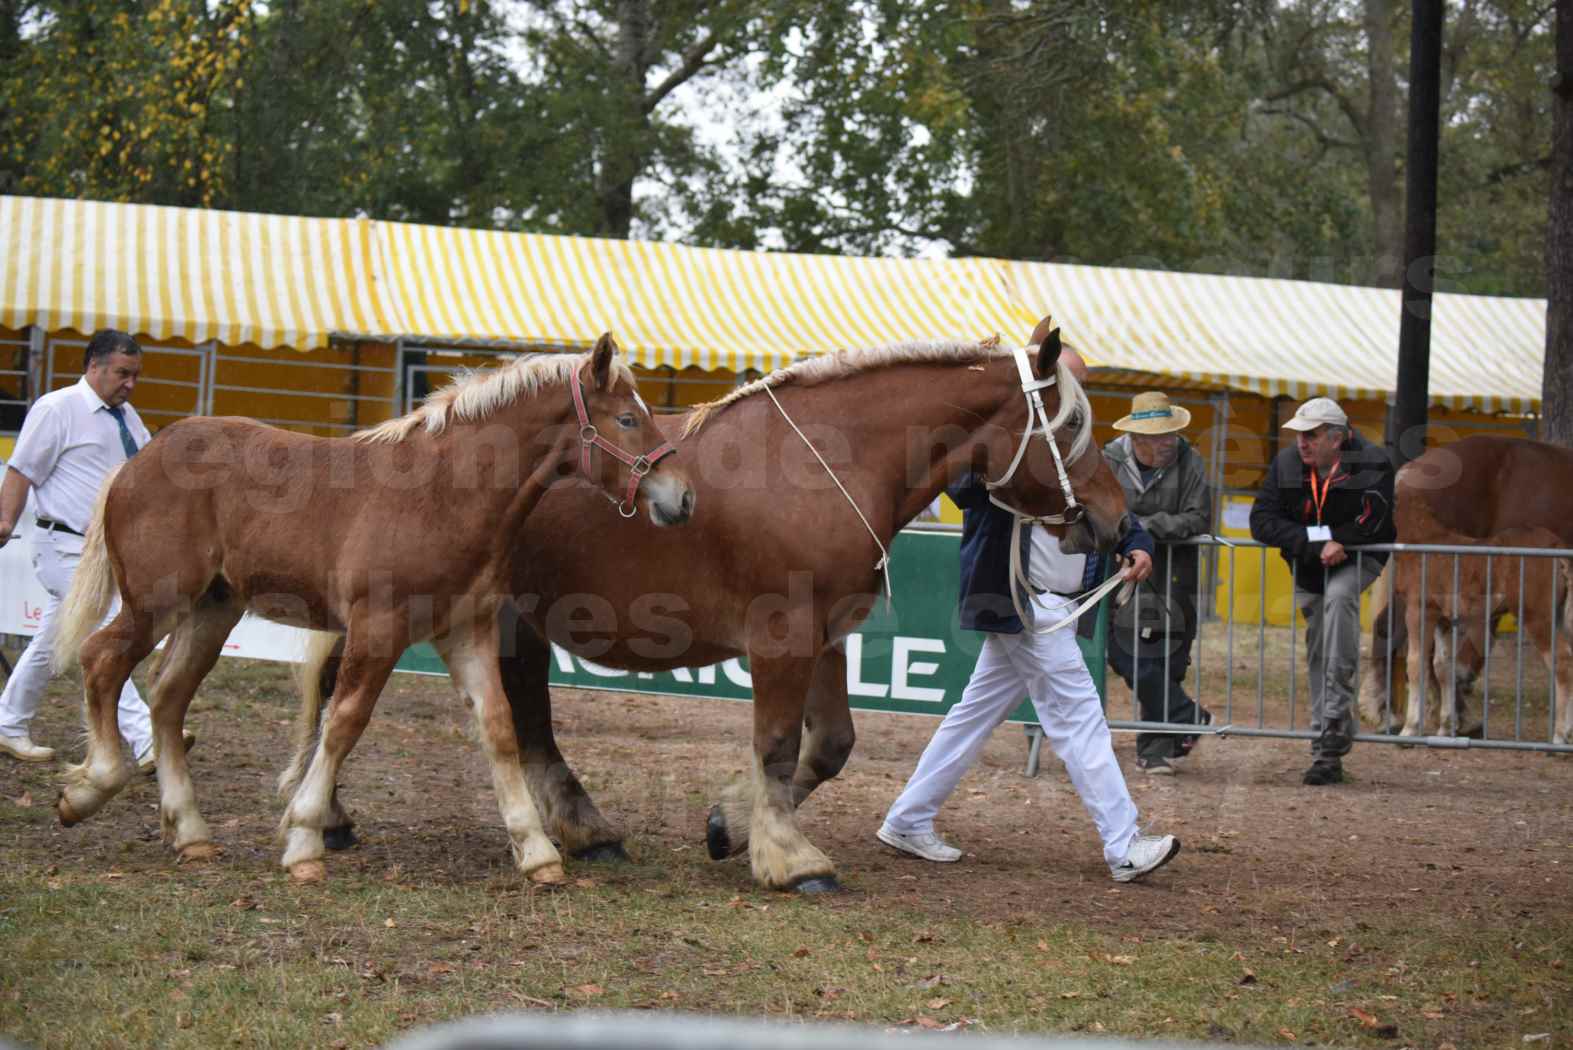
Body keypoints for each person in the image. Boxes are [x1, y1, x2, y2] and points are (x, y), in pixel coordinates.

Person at [876, 343, 1181, 884]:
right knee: (1080, 718)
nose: (1072, 395)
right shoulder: (1000, 435)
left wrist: (1136, 542)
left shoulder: (1074, 442)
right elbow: (964, 490)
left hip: (1050, 603)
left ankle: (907, 818)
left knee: (972, 718)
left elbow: (1103, 497)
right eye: (1065, 383)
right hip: (1022, 600)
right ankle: (1124, 844)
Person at [0, 329, 186, 771]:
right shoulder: (57, 409)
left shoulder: (127, 418)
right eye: (123, 373)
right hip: (62, 544)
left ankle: (7, 723)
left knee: (52, 641)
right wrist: (5, 519)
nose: (130, 384)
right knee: (107, 632)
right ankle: (146, 740)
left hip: (103, 551)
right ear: (95, 366)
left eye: (135, 375)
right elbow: (22, 470)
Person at [1250, 397, 1394, 786]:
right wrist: (1317, 544)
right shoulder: (1286, 464)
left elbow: (1376, 521)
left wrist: (1340, 542)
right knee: (1318, 642)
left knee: (1340, 599)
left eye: (1310, 435)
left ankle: (1332, 720)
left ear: (1337, 437)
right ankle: (1326, 745)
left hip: (1359, 557)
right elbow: (1261, 520)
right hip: (1310, 563)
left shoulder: (1373, 462)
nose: (1302, 443)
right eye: (1299, 434)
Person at [1102, 391, 1214, 775]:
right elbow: (1100, 512)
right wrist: (1132, 535)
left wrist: (1143, 528)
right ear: (1136, 439)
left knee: (1169, 660)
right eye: (1158, 436)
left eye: (1170, 433)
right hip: (1121, 577)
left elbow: (1199, 518)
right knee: (1124, 652)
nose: (1168, 442)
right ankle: (1185, 715)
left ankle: (1156, 747)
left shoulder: (1191, 461)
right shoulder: (1108, 461)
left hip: (1175, 575)